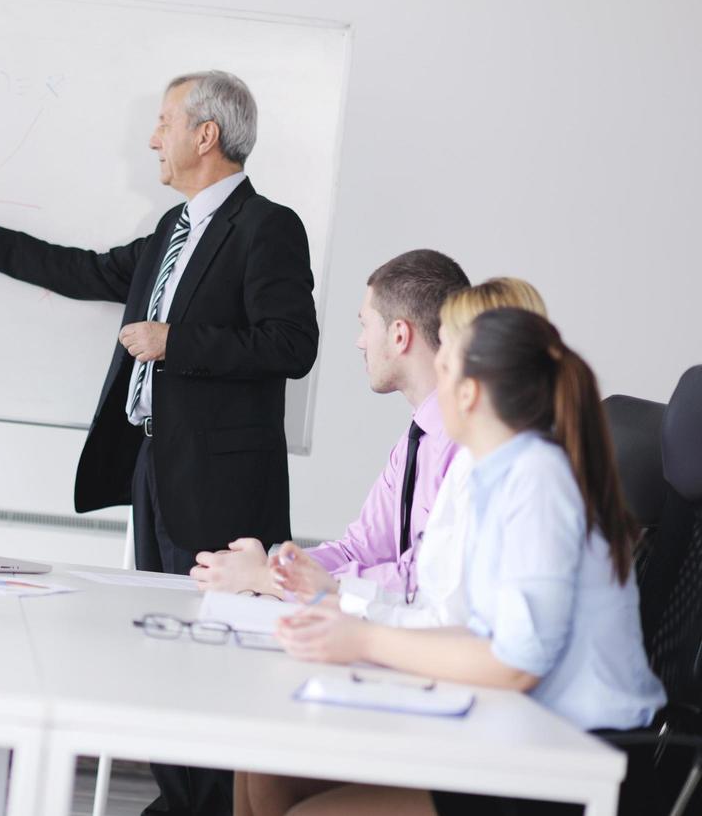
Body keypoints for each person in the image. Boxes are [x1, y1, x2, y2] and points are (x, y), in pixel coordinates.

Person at [0, 70, 318, 816]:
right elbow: (94, 270)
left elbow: (291, 344)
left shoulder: (269, 227)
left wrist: (177, 341)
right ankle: (182, 800)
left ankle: (202, 805)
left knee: (215, 646)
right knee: (167, 643)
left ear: (206, 135)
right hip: (155, 464)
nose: (152, 138)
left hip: (223, 481)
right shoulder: (175, 229)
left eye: (164, 122)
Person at [245, 308, 664, 816]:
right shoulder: (499, 475)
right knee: (268, 765)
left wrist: (365, 639)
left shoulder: (538, 481)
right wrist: (347, 621)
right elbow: (468, 627)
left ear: (467, 394)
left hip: (571, 754)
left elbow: (515, 664)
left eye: (442, 371)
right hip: (518, 727)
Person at [266, 278, 548, 631]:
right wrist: (303, 582)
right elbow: (436, 603)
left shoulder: (519, 472)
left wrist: (331, 599)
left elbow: (496, 650)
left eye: (447, 347)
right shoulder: (462, 456)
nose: (438, 361)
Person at [191, 249, 469, 600]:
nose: (359, 341)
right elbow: (360, 549)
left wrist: (270, 580)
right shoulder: (415, 440)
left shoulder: (465, 441)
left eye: (365, 324)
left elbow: (422, 580)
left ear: (399, 335)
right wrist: (275, 568)